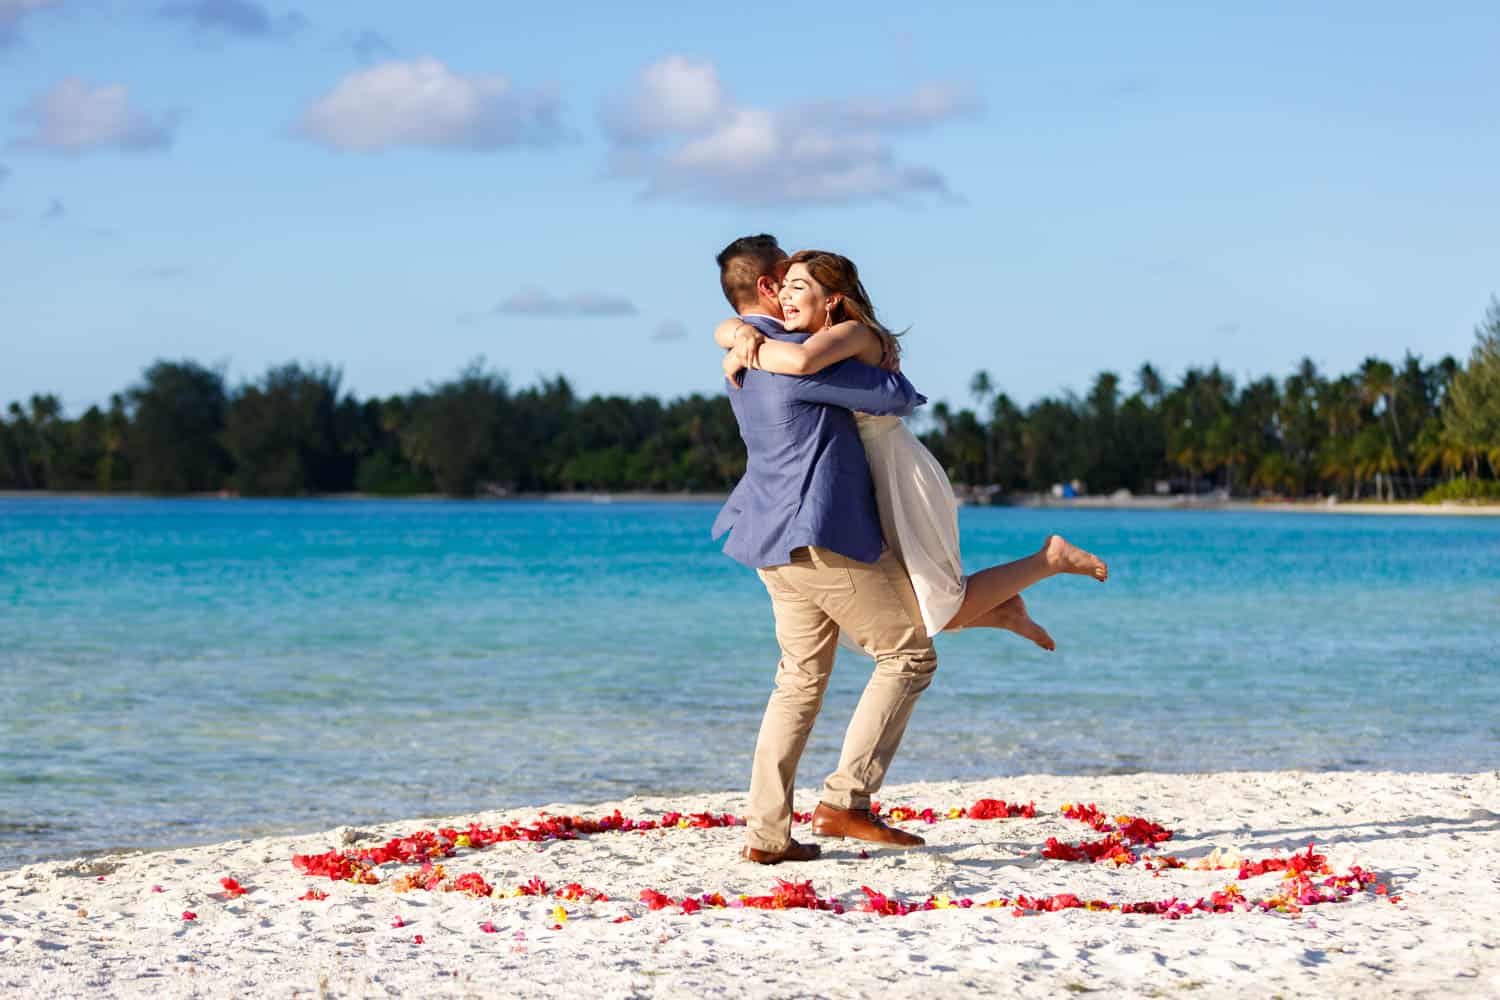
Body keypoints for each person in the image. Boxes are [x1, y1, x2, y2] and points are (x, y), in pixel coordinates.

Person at [716, 248, 1108, 655]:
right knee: (912, 604)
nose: (784, 297)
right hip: (866, 478)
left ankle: (1048, 560)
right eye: (783, 289)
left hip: (897, 468)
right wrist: (737, 332)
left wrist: (744, 347)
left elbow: (797, 362)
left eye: (797, 287)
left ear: (832, 298)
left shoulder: (854, 334)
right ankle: (1002, 611)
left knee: (931, 604)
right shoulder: (816, 339)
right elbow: (737, 331)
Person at [710, 234, 940, 865]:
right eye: (784, 280)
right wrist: (872, 343)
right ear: (766, 287)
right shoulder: (794, 354)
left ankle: (767, 834)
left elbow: (732, 331)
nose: (789, 293)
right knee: (909, 657)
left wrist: (733, 335)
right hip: (818, 537)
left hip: (766, 541)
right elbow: (895, 395)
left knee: (799, 683)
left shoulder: (742, 350)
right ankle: (846, 801)